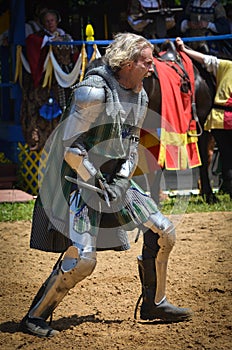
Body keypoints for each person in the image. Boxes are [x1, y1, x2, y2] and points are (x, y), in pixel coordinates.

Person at [20, 32, 192, 338]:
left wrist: (122, 180)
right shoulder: (93, 92)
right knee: (83, 261)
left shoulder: (140, 93)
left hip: (114, 178)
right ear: (126, 62)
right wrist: (96, 181)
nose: (151, 68)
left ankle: (155, 303)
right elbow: (71, 148)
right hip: (77, 180)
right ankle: (35, 316)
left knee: (164, 231)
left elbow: (130, 145)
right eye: (146, 62)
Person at [176, 36, 232, 199]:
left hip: (218, 119)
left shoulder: (226, 66)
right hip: (222, 119)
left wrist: (184, 49)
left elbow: (206, 60)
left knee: (227, 155)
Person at [20, 9, 79, 151]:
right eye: (47, 21)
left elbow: (74, 54)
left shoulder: (66, 37)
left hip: (64, 79)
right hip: (46, 81)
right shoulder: (39, 37)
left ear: (57, 20)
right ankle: (42, 140)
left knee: (65, 107)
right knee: (43, 108)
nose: (50, 23)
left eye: (52, 20)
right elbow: (32, 44)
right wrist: (48, 42)